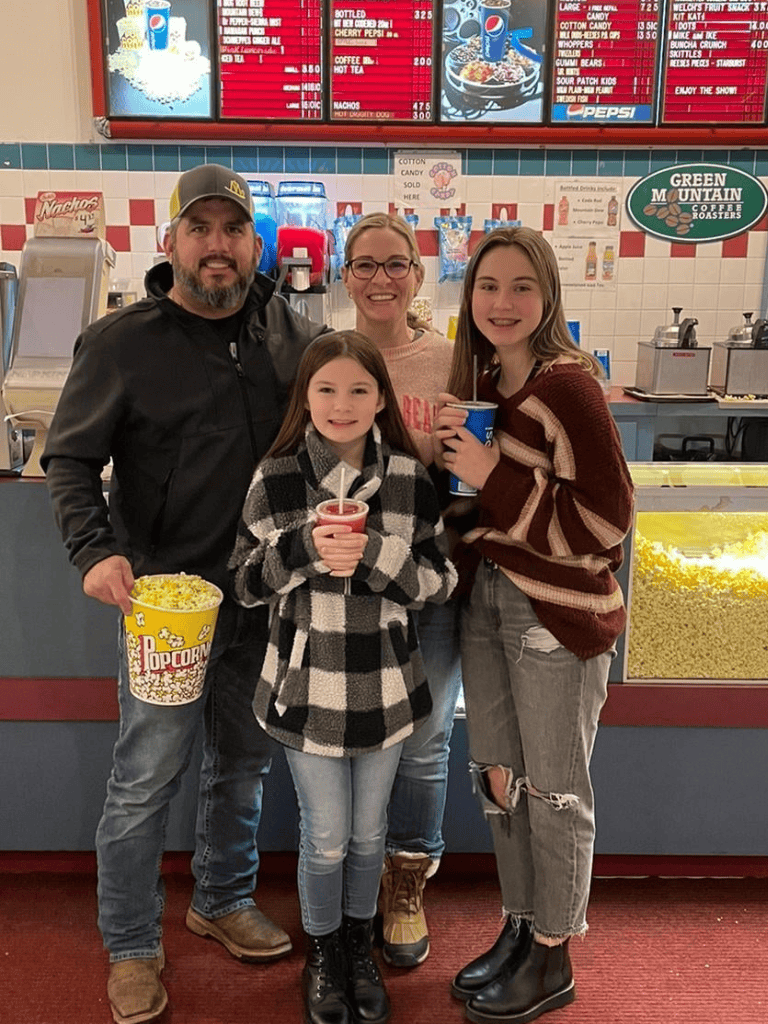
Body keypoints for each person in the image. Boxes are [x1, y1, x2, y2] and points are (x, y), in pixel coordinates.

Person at [41, 163, 328, 1024]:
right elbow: (70, 459)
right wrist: (93, 552)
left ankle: (222, 898)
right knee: (145, 779)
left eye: (232, 229)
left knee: (242, 765)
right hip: (165, 606)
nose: (217, 245)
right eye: (199, 228)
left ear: (255, 242)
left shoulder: (295, 335)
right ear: (169, 242)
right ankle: (131, 946)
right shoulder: (123, 341)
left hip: (264, 599)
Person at [433, 227, 633, 1024]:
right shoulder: (484, 384)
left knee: (554, 792)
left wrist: (492, 476)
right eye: (488, 287)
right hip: (487, 602)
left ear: (548, 294)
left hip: (557, 612)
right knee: (499, 779)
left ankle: (555, 952)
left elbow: (606, 526)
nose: (503, 303)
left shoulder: (569, 388)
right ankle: (520, 927)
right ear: (469, 296)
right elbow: (479, 512)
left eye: (522, 286)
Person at [229, 331, 457, 1024]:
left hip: (388, 687)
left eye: (359, 389)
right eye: (325, 389)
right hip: (304, 689)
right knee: (325, 835)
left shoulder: (408, 481)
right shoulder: (277, 478)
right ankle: (324, 950)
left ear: (382, 399)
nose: (342, 403)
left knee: (369, 834)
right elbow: (241, 584)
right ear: (304, 398)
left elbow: (440, 582)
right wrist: (301, 548)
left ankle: (358, 942)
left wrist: (374, 556)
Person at [341, 212, 463, 968]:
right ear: (343, 275)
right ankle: (351, 879)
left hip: (429, 581)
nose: (381, 278)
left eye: (396, 264)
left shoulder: (452, 362)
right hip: (349, 590)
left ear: (417, 276)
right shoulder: (325, 355)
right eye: (365, 265)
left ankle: (409, 878)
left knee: (426, 742)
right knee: (348, 742)